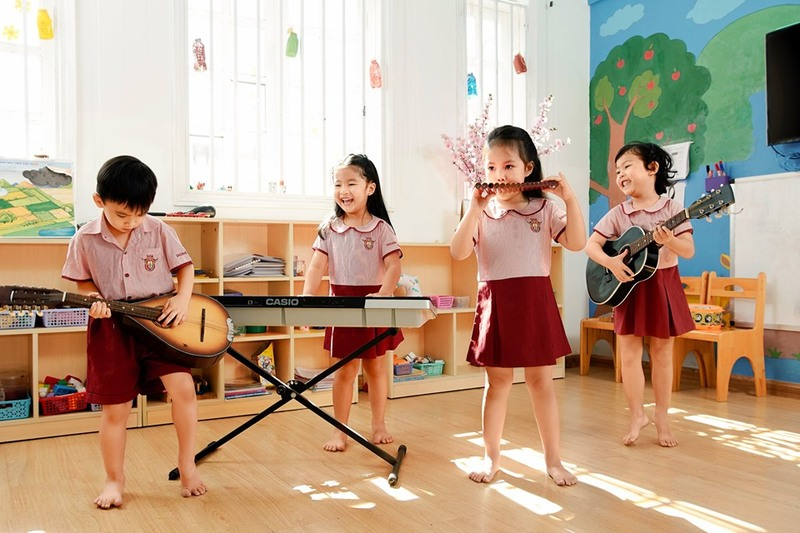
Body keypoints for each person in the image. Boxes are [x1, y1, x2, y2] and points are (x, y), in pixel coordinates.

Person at [61, 155, 206, 508]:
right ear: (99, 201)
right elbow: (82, 281)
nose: (132, 222)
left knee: (183, 389)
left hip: (159, 323)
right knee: (115, 410)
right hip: (112, 325)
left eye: (140, 214)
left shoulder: (158, 229)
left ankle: (187, 466)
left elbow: (185, 268)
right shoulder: (84, 238)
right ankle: (114, 480)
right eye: (122, 214)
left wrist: (183, 298)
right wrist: (92, 299)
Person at [450, 125, 585, 485]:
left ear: (528, 168)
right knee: (497, 384)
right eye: (491, 167)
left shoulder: (545, 208)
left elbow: (576, 242)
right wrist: (473, 210)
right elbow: (458, 252)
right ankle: (491, 457)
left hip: (534, 302)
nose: (500, 175)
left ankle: (553, 460)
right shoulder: (481, 212)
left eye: (509, 166)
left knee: (542, 383)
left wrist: (570, 200)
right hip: (495, 303)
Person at [584, 141, 695, 448]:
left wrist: (669, 240)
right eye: (617, 170)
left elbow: (688, 250)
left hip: (662, 285)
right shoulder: (619, 213)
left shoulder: (672, 210)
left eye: (627, 166)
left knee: (662, 354)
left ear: (652, 168)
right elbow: (591, 246)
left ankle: (661, 417)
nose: (620, 174)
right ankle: (636, 415)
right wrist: (610, 263)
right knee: (629, 355)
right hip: (628, 288)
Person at [301, 154, 403, 452]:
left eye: (351, 183)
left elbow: (394, 266)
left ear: (370, 188)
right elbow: (316, 267)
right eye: (337, 184)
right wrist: (307, 298)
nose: (343, 190)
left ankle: (379, 425)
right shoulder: (329, 228)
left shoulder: (381, 229)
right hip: (341, 307)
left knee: (376, 369)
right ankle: (340, 431)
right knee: (344, 371)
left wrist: (384, 294)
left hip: (374, 305)